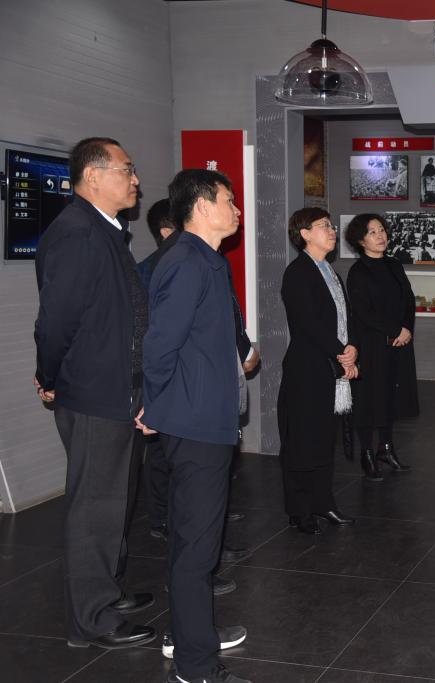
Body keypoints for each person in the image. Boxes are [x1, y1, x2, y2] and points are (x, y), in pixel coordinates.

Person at [33, 137, 156, 651]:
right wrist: (49, 375)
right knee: (94, 509)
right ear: (92, 176)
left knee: (116, 502)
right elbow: (55, 321)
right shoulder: (77, 234)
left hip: (119, 389)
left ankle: (108, 589)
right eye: (126, 170)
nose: (135, 180)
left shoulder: (106, 230)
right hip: (92, 393)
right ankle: (91, 619)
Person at [140, 169, 248, 683]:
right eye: (229, 200)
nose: (236, 210)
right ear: (202, 206)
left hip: (206, 418)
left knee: (195, 545)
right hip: (195, 422)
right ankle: (196, 667)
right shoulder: (187, 261)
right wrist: (155, 404)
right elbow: (160, 343)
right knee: (196, 549)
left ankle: (189, 639)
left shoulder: (206, 259)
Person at [278, 208, 359, 535]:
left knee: (325, 439)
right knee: (302, 440)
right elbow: (308, 323)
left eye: (331, 225)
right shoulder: (298, 273)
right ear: (305, 233)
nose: (332, 230)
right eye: (324, 225)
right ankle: (300, 510)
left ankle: (323, 502)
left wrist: (352, 348)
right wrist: (342, 353)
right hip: (307, 367)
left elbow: (344, 317)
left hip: (331, 364)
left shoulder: (329, 271)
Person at [344, 214, 419, 480]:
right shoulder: (358, 272)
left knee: (391, 396)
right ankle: (366, 452)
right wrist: (394, 330)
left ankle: (385, 449)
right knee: (369, 398)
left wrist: (405, 328)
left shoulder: (394, 265)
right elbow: (363, 311)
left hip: (398, 343)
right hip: (372, 345)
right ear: (360, 240)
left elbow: (408, 300)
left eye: (382, 230)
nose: (380, 236)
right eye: (372, 232)